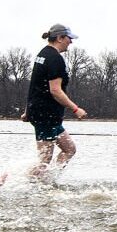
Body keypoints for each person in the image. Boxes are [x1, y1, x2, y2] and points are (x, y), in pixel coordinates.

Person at [26, 25, 87, 179]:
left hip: (45, 114)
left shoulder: (43, 54)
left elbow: (36, 85)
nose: (71, 42)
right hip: (45, 115)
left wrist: (28, 110)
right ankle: (32, 186)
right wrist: (75, 109)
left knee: (69, 149)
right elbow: (55, 90)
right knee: (44, 159)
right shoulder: (55, 59)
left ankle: (47, 181)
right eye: (69, 38)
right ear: (60, 38)